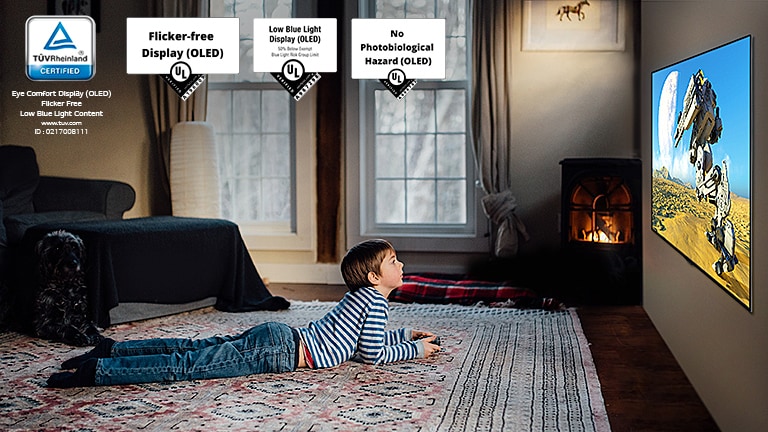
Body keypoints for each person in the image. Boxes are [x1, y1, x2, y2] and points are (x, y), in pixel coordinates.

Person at [47, 239, 441, 388]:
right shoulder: (373, 301)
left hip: (278, 337)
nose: (401, 264)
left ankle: (110, 351)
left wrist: (405, 335)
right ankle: (95, 372)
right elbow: (371, 351)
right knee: (187, 365)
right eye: (394, 261)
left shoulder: (363, 298)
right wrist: (415, 353)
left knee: (192, 346)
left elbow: (362, 340)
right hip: (280, 353)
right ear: (375, 276)